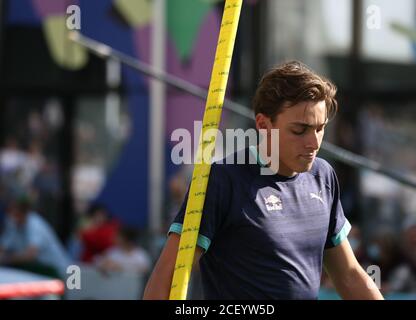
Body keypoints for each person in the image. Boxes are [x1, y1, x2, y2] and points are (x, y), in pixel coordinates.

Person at [143, 61, 384, 299]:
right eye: (299, 130)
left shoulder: (323, 176)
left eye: (320, 129)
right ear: (263, 125)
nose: (313, 143)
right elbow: (164, 281)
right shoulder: (222, 179)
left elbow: (349, 276)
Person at [0, 195, 72, 279]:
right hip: (38, 270)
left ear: (23, 212)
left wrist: (7, 259)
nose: (11, 216)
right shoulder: (13, 224)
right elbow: (3, 247)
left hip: (56, 272)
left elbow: (31, 255)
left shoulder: (35, 224)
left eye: (14, 213)